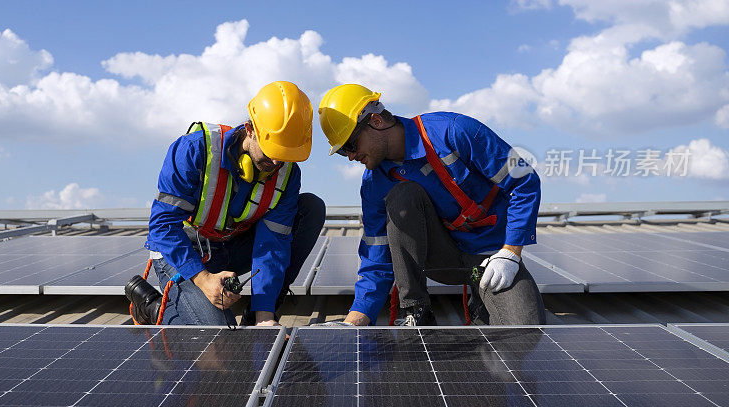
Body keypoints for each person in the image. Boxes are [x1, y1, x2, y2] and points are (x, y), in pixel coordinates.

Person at [318, 83, 545, 326]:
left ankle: (481, 301)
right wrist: (356, 320)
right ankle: (416, 310)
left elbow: (524, 181)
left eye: (351, 145)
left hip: (489, 262)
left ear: (376, 121)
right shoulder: (375, 183)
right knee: (402, 196)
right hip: (440, 261)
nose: (351, 157)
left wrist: (511, 253)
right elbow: (377, 251)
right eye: (343, 152)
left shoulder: (454, 131)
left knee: (526, 329)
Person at [144, 81, 325, 326]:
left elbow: (273, 244)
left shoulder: (287, 173)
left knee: (310, 209)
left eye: (285, 154)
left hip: (233, 248)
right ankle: (155, 308)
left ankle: (260, 310)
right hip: (185, 251)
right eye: (271, 149)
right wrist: (203, 278)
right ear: (250, 129)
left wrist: (264, 317)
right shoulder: (194, 151)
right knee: (219, 337)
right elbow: (163, 226)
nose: (276, 163)